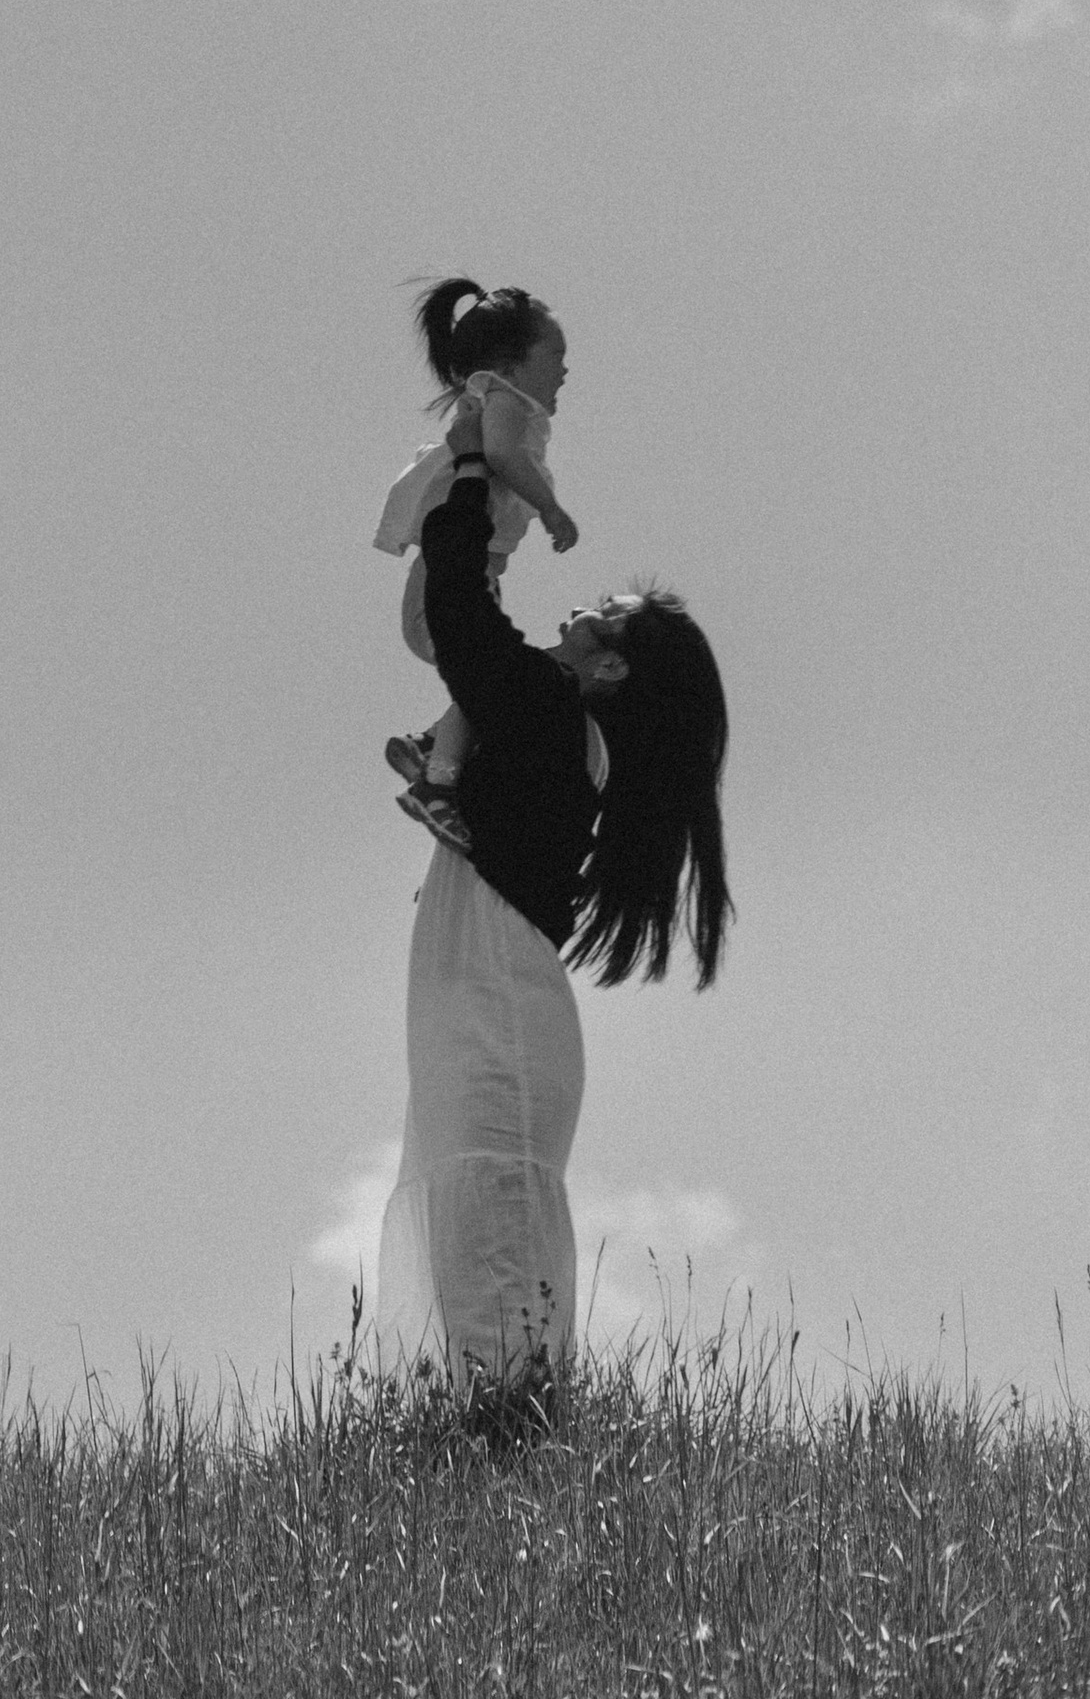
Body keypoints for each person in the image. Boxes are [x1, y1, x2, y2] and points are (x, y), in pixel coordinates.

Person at [372, 409, 730, 1407]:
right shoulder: (547, 727)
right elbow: (464, 631)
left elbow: (457, 618)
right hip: (489, 1019)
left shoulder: (547, 716)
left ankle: (507, 1446)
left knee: (488, 1261)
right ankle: (482, 1442)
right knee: (470, 1256)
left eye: (597, 616)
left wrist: (477, 472)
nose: (576, 611)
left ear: (607, 668)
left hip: (497, 1028)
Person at [374, 277, 580, 846]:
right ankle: (437, 785)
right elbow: (501, 454)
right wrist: (552, 510)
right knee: (491, 673)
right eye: (555, 354)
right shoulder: (505, 402)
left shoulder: (500, 399)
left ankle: (430, 747)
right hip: (454, 583)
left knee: (489, 675)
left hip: (457, 579)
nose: (565, 370)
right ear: (512, 365)